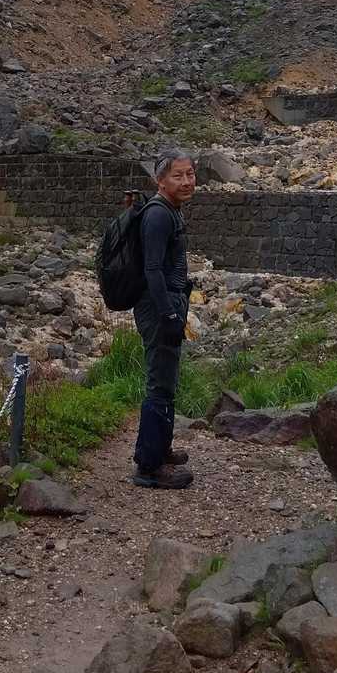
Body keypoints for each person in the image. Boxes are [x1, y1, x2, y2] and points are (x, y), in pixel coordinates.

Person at [133, 148, 197, 489]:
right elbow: (153, 269)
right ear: (160, 180)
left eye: (190, 174)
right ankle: (149, 467)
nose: (186, 181)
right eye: (178, 175)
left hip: (168, 302)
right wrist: (169, 313)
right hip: (158, 307)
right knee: (159, 384)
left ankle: (160, 448)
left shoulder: (170, 210)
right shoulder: (158, 215)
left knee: (167, 380)